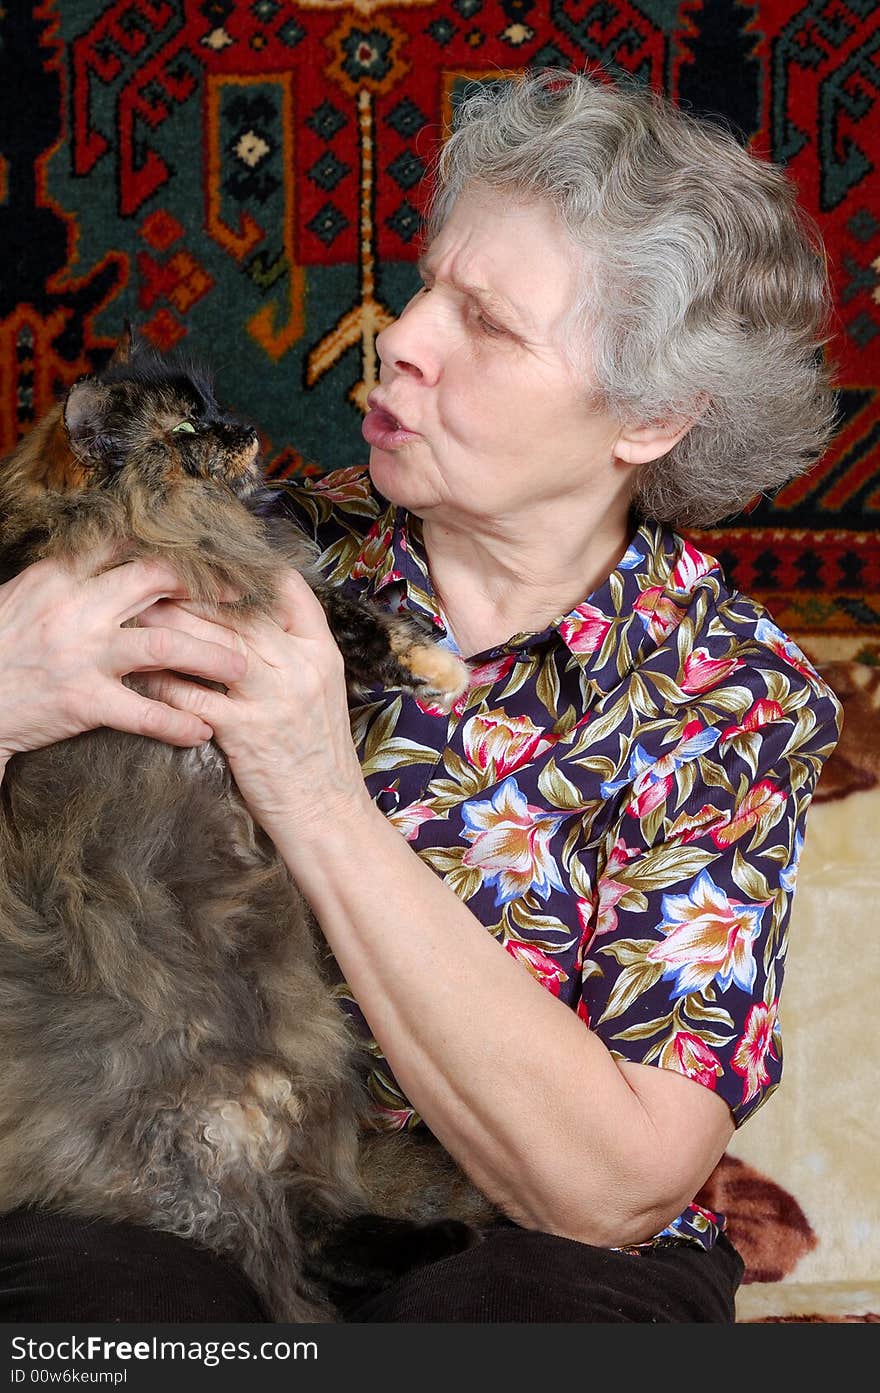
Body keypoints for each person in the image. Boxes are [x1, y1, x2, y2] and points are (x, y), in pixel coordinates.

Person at [0, 69, 841, 1323]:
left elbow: (610, 1190)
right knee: (95, 1308)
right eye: (428, 283)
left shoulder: (731, 698)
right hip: (172, 1183)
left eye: (489, 323)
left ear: (651, 418)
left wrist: (317, 792)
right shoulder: (219, 543)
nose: (400, 334)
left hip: (525, 1251)